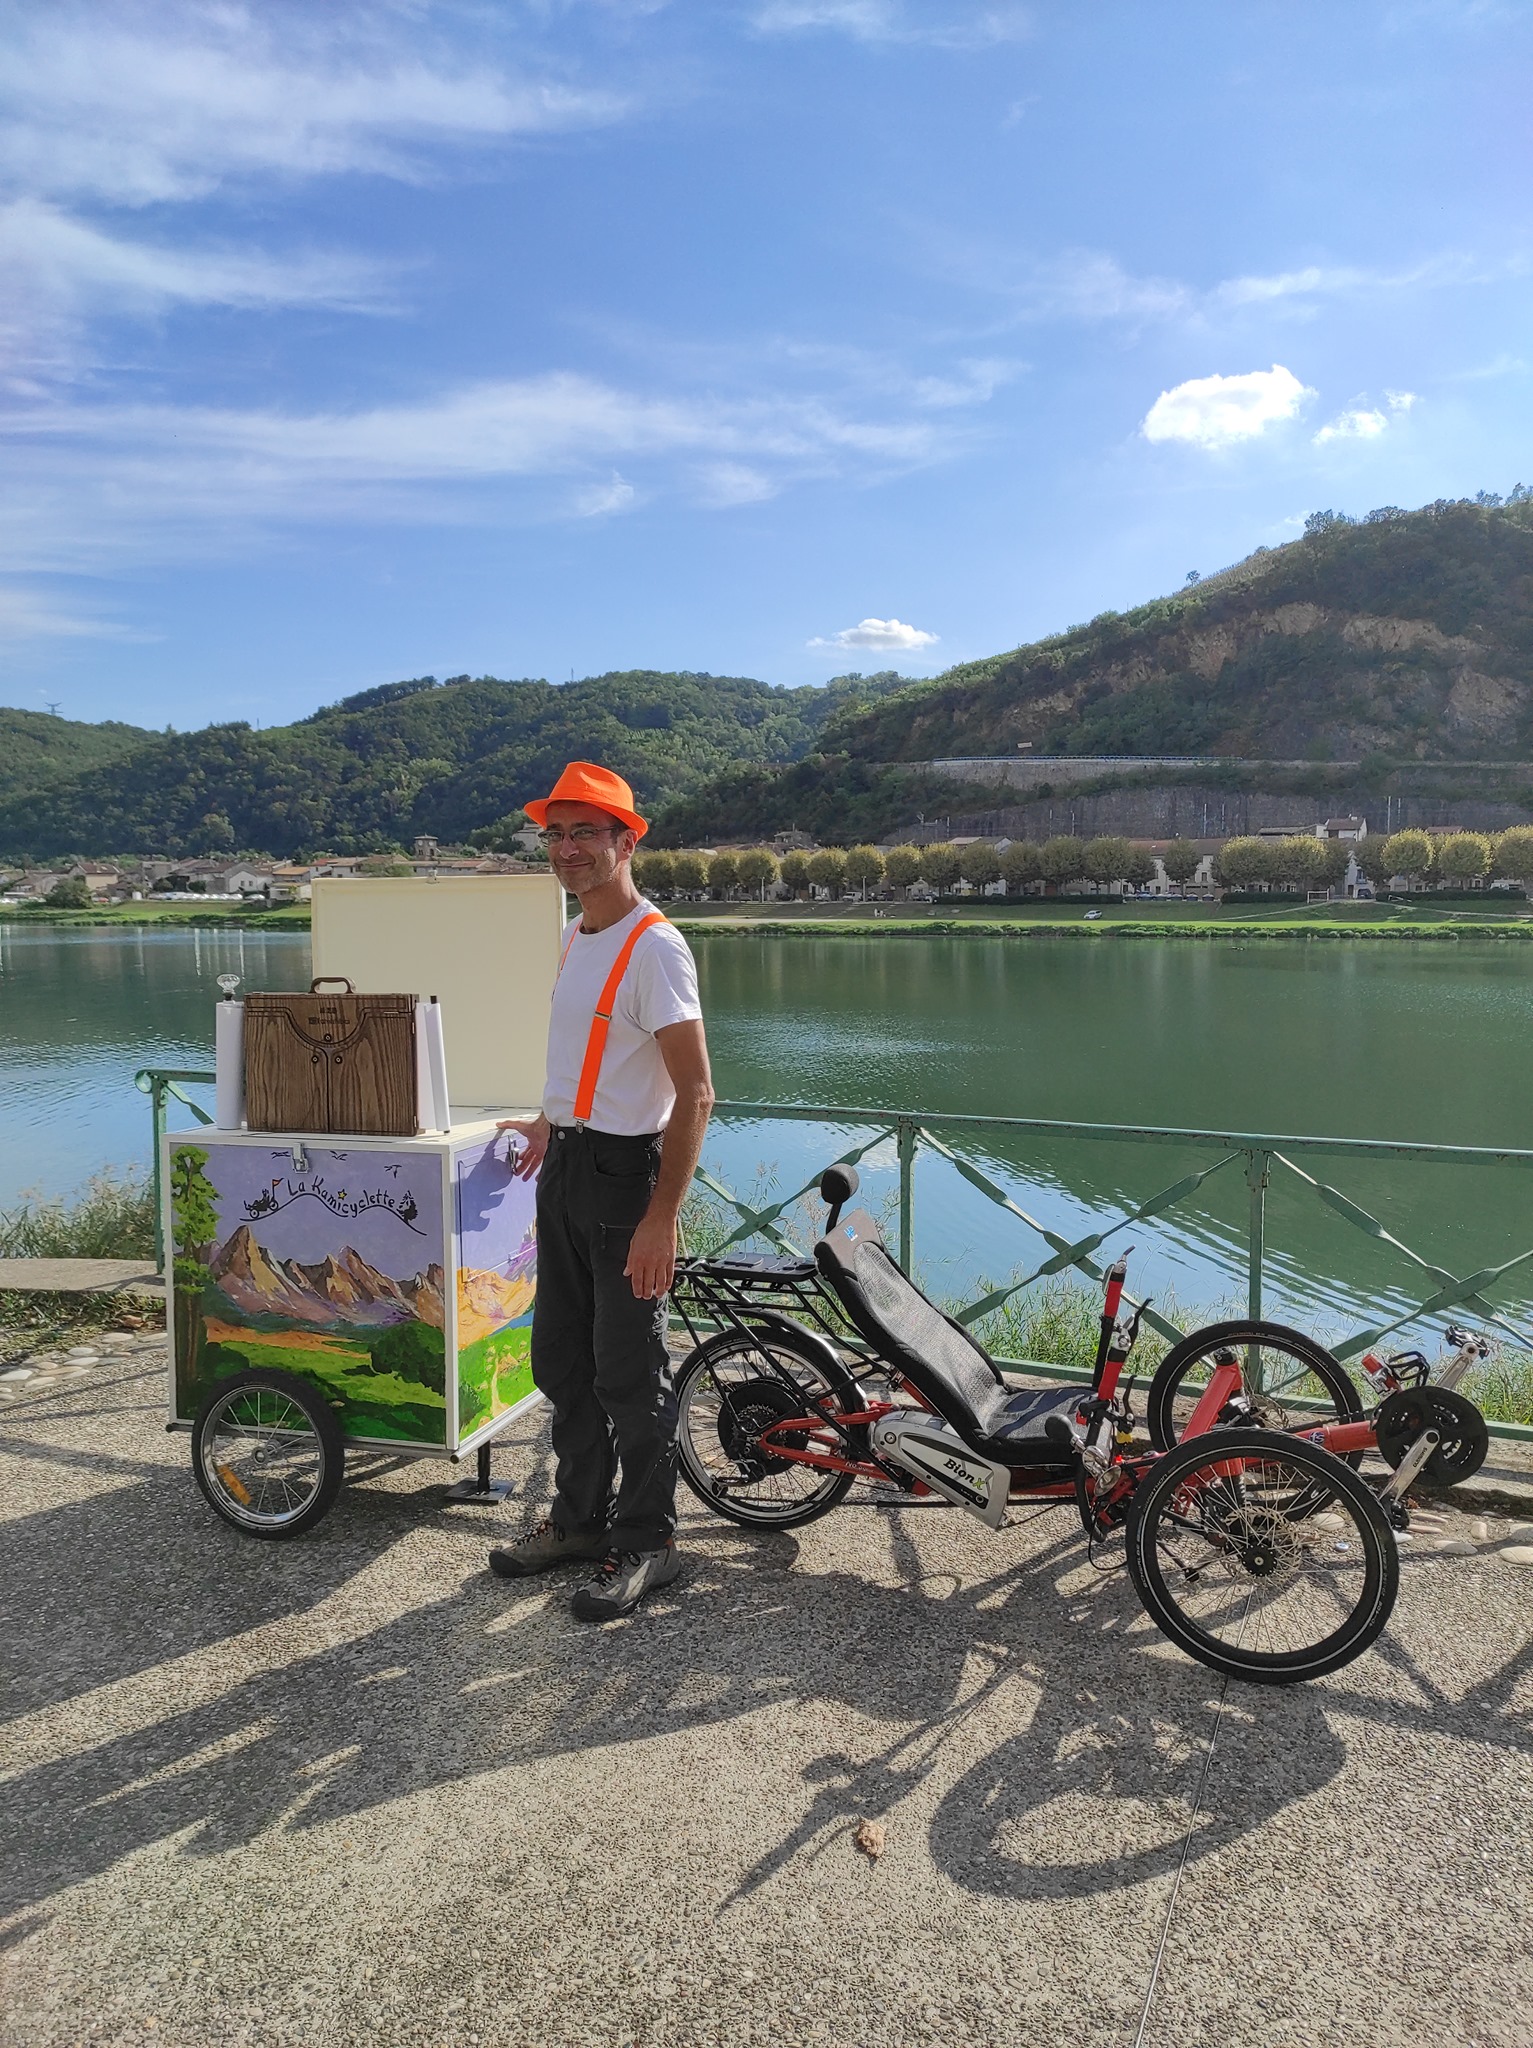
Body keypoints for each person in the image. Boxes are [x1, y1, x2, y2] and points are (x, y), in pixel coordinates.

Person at [489, 761, 714, 1621]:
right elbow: (599, 1060)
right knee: (564, 1363)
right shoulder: (578, 934)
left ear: (627, 841)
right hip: (570, 1168)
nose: (568, 848)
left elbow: (693, 1093)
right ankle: (578, 1523)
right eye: (556, 832)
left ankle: (648, 1543)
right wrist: (553, 1124)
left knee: (629, 1374)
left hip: (628, 1183)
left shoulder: (655, 945)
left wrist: (663, 1218)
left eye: (587, 831)